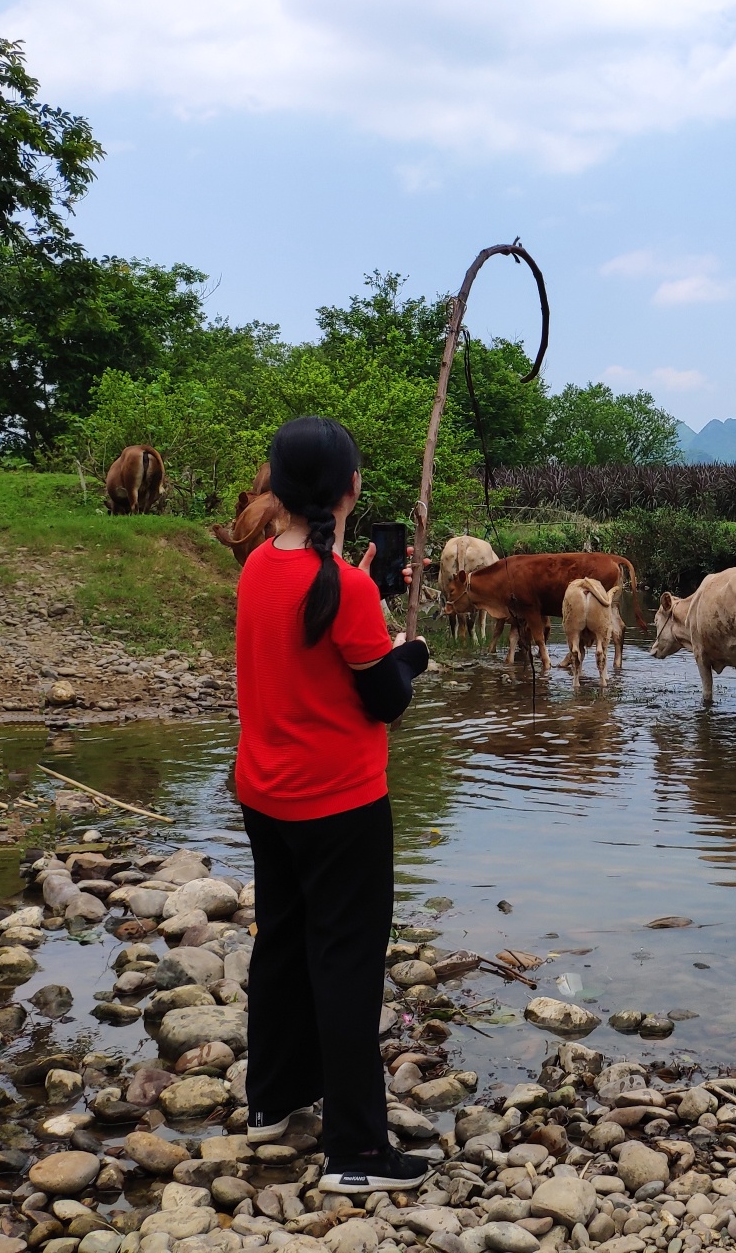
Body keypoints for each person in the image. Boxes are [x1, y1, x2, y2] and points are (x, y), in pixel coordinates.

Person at [234, 416, 431, 1192]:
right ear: (352, 489)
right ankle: (357, 1152)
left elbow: (312, 625)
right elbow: (385, 700)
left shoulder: (256, 568)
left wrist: (367, 588)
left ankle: (273, 1100)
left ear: (274, 489)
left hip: (265, 794)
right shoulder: (344, 588)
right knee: (346, 963)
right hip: (341, 806)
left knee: (282, 941)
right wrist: (410, 654)